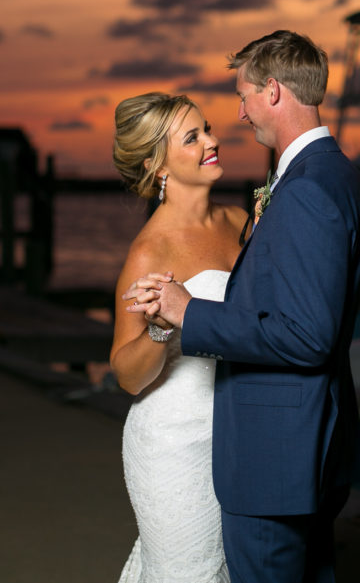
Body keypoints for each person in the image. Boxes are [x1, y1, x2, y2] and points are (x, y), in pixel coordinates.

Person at [124, 30, 360, 583]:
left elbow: (308, 335)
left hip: (274, 455)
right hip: (257, 445)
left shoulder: (306, 189)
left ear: (274, 91)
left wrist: (188, 312)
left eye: (243, 97)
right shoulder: (331, 178)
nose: (238, 115)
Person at [109, 92, 247, 583]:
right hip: (174, 446)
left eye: (207, 128)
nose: (213, 141)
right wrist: (161, 328)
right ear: (156, 166)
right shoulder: (150, 250)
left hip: (238, 433)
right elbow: (127, 375)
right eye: (193, 137)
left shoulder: (241, 223)